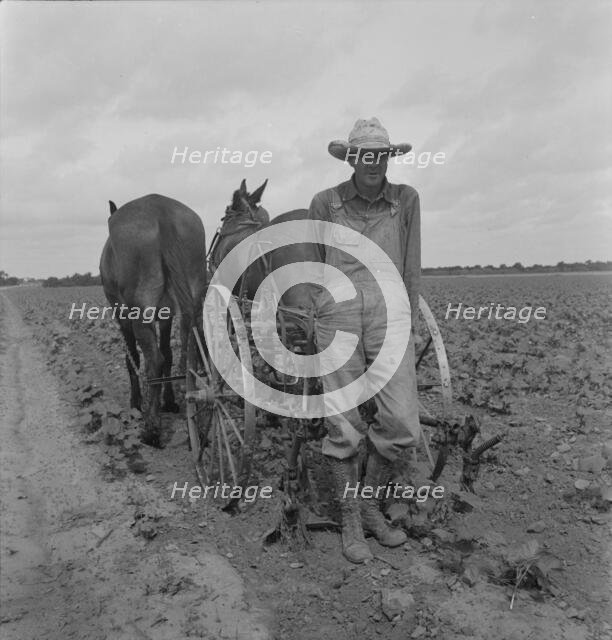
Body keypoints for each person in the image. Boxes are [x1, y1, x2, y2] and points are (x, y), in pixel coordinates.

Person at [307, 117, 421, 563]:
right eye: (364, 154)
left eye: (381, 154)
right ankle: (352, 519)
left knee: (401, 423)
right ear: (352, 158)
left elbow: (411, 265)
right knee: (344, 425)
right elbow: (316, 262)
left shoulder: (406, 200)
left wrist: (406, 319)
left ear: (388, 158)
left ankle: (371, 507)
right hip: (338, 316)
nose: (373, 162)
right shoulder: (325, 202)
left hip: (388, 316)